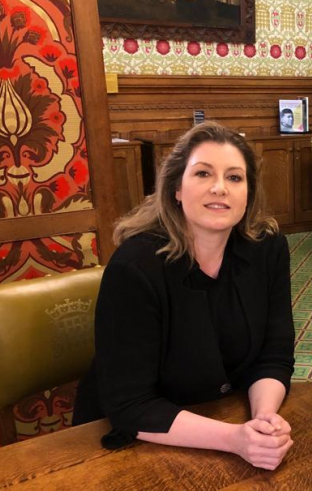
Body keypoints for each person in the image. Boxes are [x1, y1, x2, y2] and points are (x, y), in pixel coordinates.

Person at [74, 121, 295, 471]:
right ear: (176, 187)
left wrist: (264, 421)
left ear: (249, 193)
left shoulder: (268, 250)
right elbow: (130, 403)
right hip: (138, 443)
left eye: (235, 178)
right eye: (204, 174)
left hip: (224, 419)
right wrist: (234, 439)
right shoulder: (135, 267)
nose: (220, 188)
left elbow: (274, 355)